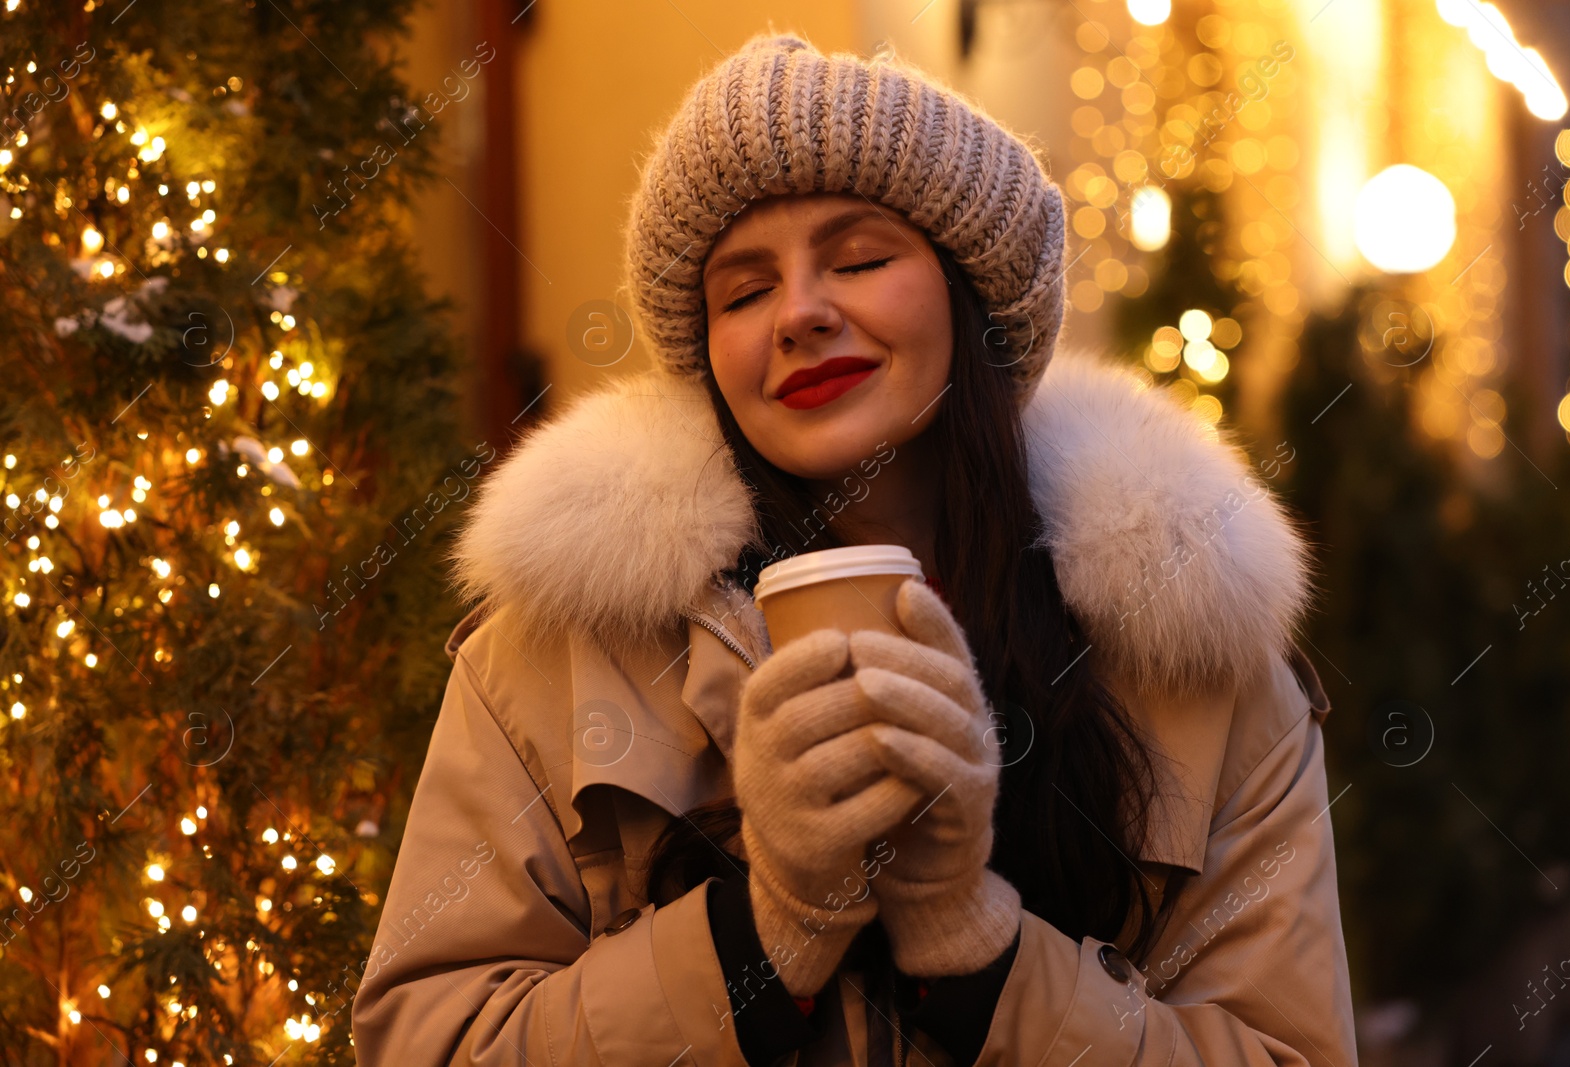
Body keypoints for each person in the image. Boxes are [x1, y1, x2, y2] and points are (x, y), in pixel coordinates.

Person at [351, 34, 1358, 1067]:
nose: (799, 314)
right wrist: (766, 927)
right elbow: (431, 1043)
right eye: (742, 292)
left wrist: (975, 946)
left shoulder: (1198, 661)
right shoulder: (551, 654)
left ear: (969, 298)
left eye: (860, 259)